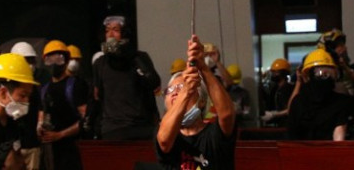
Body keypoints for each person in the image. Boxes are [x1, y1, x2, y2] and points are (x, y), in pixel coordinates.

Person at [156, 35, 235, 170]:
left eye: (180, 87)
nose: (175, 93)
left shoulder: (213, 134)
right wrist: (186, 91)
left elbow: (227, 115)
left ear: (202, 101)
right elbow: (164, 141)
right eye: (170, 90)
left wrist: (203, 67)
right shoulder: (163, 131)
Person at [93, 15, 161, 140]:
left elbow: (154, 83)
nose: (110, 35)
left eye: (116, 30)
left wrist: (134, 58)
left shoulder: (139, 57)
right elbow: (98, 97)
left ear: (125, 34)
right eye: (107, 30)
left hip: (140, 126)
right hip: (113, 129)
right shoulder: (100, 63)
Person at [38, 40, 88, 170]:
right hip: (50, 151)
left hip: (71, 150)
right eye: (50, 59)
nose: (54, 63)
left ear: (66, 61)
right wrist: (40, 128)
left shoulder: (75, 85)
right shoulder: (44, 89)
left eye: (58, 59)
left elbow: (85, 118)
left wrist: (60, 134)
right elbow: (41, 114)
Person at [286, 50, 351, 141]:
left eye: (328, 73)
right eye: (319, 73)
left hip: (327, 153)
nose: (324, 77)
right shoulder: (298, 102)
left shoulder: (340, 102)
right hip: (302, 153)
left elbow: (339, 134)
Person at [9, 42, 41, 170]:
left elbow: (40, 109)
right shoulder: (8, 87)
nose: (30, 65)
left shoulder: (35, 86)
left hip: (32, 144)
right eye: (26, 61)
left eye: (31, 60)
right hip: (13, 147)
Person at [260, 58, 294, 127]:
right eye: (273, 72)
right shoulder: (275, 89)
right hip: (278, 124)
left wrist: (274, 114)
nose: (273, 74)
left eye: (276, 72)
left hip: (287, 124)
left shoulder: (289, 89)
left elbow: (291, 109)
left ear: (283, 73)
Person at [225, 64, 253, 129]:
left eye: (235, 83)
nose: (234, 85)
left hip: (239, 125)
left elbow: (247, 112)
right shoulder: (223, 92)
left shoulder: (244, 93)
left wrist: (239, 112)